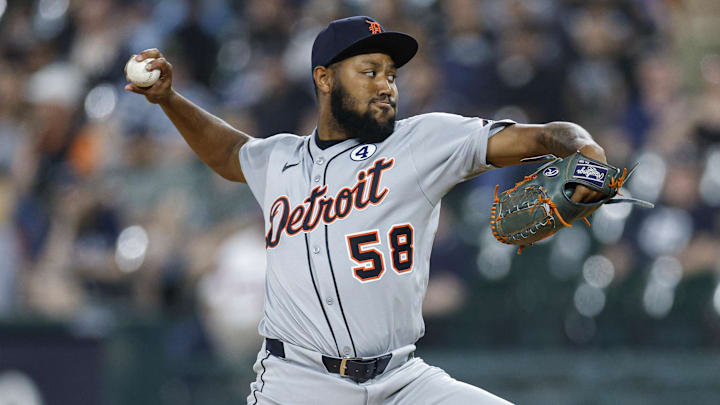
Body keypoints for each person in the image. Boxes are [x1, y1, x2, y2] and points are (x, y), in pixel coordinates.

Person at [126, 16, 605, 405]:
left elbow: (539, 136)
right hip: (298, 384)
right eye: (370, 71)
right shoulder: (280, 158)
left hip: (403, 382)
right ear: (324, 78)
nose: (387, 86)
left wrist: (583, 147)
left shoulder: (422, 139)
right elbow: (230, 154)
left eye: (392, 75)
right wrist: (168, 99)